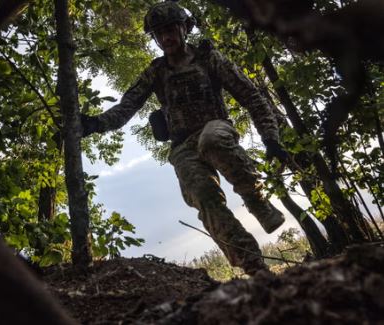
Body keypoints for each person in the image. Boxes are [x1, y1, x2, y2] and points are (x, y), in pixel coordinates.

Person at [81, 1, 288, 275]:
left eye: (171, 29)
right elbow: (126, 108)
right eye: (159, 33)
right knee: (204, 197)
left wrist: (271, 139)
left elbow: (252, 96)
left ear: (184, 28)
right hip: (182, 146)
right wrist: (93, 124)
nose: (166, 38)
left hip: (215, 128)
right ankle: (254, 267)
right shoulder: (156, 71)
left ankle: (256, 199)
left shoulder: (208, 59)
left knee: (211, 140)